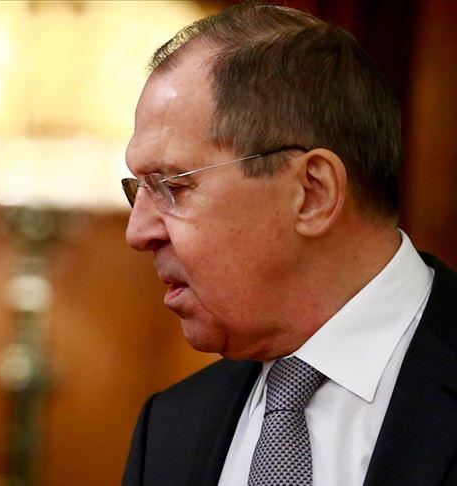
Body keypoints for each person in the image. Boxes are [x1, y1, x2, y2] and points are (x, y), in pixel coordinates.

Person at [121, 3, 456, 486]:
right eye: (138, 190)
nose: (137, 232)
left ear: (312, 193)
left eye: (172, 185)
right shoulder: (170, 428)